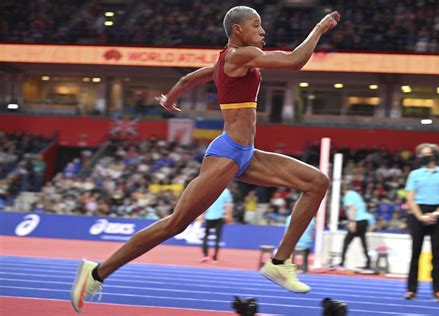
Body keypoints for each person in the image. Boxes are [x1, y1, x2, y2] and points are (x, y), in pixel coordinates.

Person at [71, 6, 339, 312]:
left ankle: (280, 261)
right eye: (256, 25)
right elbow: (294, 61)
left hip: (246, 154)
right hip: (227, 155)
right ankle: (95, 273)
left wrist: (170, 99)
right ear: (238, 30)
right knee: (174, 225)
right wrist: (319, 29)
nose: (263, 31)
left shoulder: (226, 61)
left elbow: (188, 79)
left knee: (317, 182)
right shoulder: (239, 55)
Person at [404, 143, 439, 302]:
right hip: (418, 214)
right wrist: (420, 216)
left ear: (434, 156)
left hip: (438, 214)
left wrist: (437, 213)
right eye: (421, 154)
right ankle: (411, 290)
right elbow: (410, 198)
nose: (422, 157)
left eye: (426, 154)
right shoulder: (414, 174)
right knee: (415, 254)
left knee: (437, 255)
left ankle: (438, 291)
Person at [339, 183, 375, 270]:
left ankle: (342, 262)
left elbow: (352, 207)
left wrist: (352, 221)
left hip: (357, 220)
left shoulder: (348, 196)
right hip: (364, 220)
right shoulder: (355, 194)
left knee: (346, 241)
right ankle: (368, 262)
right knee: (363, 243)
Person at [201, 187, 233, 263]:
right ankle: (215, 257)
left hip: (209, 216)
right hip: (219, 217)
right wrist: (229, 216)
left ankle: (205, 255)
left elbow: (204, 203)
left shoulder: (210, 190)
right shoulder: (226, 192)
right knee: (217, 238)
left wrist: (202, 214)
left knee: (206, 236)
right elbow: (228, 206)